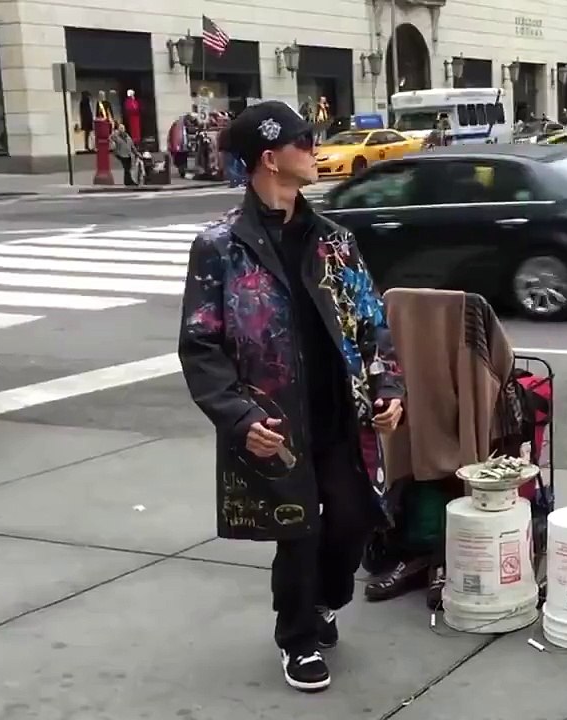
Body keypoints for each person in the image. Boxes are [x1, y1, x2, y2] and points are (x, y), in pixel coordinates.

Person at [178, 101, 406, 693]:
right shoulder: (221, 246)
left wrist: (387, 387)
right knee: (297, 531)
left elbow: (372, 324)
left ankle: (327, 602)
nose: (316, 151)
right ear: (270, 158)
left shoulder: (334, 240)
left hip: (340, 415)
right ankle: (298, 638)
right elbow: (201, 345)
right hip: (273, 422)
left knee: (355, 518)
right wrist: (237, 415)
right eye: (305, 142)